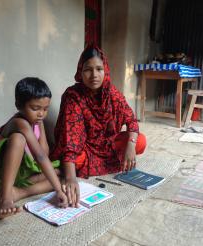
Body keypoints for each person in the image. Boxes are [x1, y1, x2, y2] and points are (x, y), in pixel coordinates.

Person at [51, 45, 146, 207]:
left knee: (140, 141)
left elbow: (131, 120)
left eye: (99, 69)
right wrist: (71, 178)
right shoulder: (72, 96)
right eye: (88, 69)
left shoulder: (112, 93)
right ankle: (65, 172)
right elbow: (70, 139)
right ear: (80, 72)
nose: (94, 75)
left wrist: (130, 146)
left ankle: (65, 171)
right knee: (72, 162)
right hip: (84, 148)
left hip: (107, 145)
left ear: (105, 70)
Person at [0, 77, 68, 219]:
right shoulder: (19, 123)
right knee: (18, 138)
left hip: (23, 173)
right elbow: (40, 156)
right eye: (35, 108)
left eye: (45, 109)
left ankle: (19, 193)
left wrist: (40, 125)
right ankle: (4, 197)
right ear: (19, 105)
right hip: (5, 176)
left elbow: (44, 152)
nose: (41, 113)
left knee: (61, 175)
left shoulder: (37, 120)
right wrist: (58, 190)